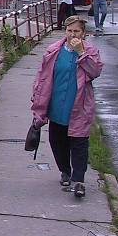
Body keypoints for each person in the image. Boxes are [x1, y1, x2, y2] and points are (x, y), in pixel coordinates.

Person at [31, 15, 103, 198]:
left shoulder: (91, 52)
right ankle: (65, 170)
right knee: (58, 142)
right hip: (56, 105)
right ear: (65, 31)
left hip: (78, 105)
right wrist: (37, 99)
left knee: (79, 144)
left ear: (83, 33)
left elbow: (95, 72)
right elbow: (42, 76)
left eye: (76, 31)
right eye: (69, 31)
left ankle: (79, 181)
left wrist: (81, 53)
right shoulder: (54, 50)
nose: (72, 35)